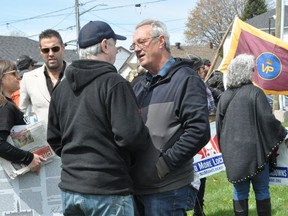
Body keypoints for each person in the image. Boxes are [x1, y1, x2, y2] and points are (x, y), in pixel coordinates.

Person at [47, 20, 151, 216]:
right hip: (107, 189)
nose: (116, 51)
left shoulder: (61, 88)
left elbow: (54, 138)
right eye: (114, 45)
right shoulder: (114, 83)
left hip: (71, 189)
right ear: (105, 45)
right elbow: (131, 136)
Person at [130, 19, 211, 216]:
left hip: (167, 189)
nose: (136, 49)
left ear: (161, 41)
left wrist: (162, 166)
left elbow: (199, 131)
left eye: (142, 42)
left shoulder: (186, 80)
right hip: (137, 187)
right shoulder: (139, 86)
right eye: (134, 45)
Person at [216, 54, 287, 216]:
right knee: (262, 190)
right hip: (256, 154)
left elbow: (220, 130)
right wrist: (282, 133)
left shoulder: (224, 96)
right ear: (247, 72)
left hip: (233, 154)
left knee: (239, 192)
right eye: (252, 70)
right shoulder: (255, 93)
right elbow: (268, 121)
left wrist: (226, 150)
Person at [0, 59, 45, 174]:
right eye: (13, 73)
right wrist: (28, 158)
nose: (18, 77)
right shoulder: (5, 107)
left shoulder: (6, 104)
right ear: (2, 78)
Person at [19, 29, 67, 126]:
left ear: (62, 47)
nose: (51, 54)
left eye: (55, 49)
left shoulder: (76, 75)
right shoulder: (28, 78)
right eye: (46, 50)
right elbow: (21, 112)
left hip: (73, 139)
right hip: (43, 139)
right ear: (40, 51)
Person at [188, 56, 212, 216]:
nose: (204, 72)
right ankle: (197, 206)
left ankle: (196, 206)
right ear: (197, 70)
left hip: (184, 135)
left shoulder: (177, 83)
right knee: (199, 172)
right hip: (195, 135)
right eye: (202, 69)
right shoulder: (199, 86)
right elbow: (210, 105)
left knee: (198, 171)